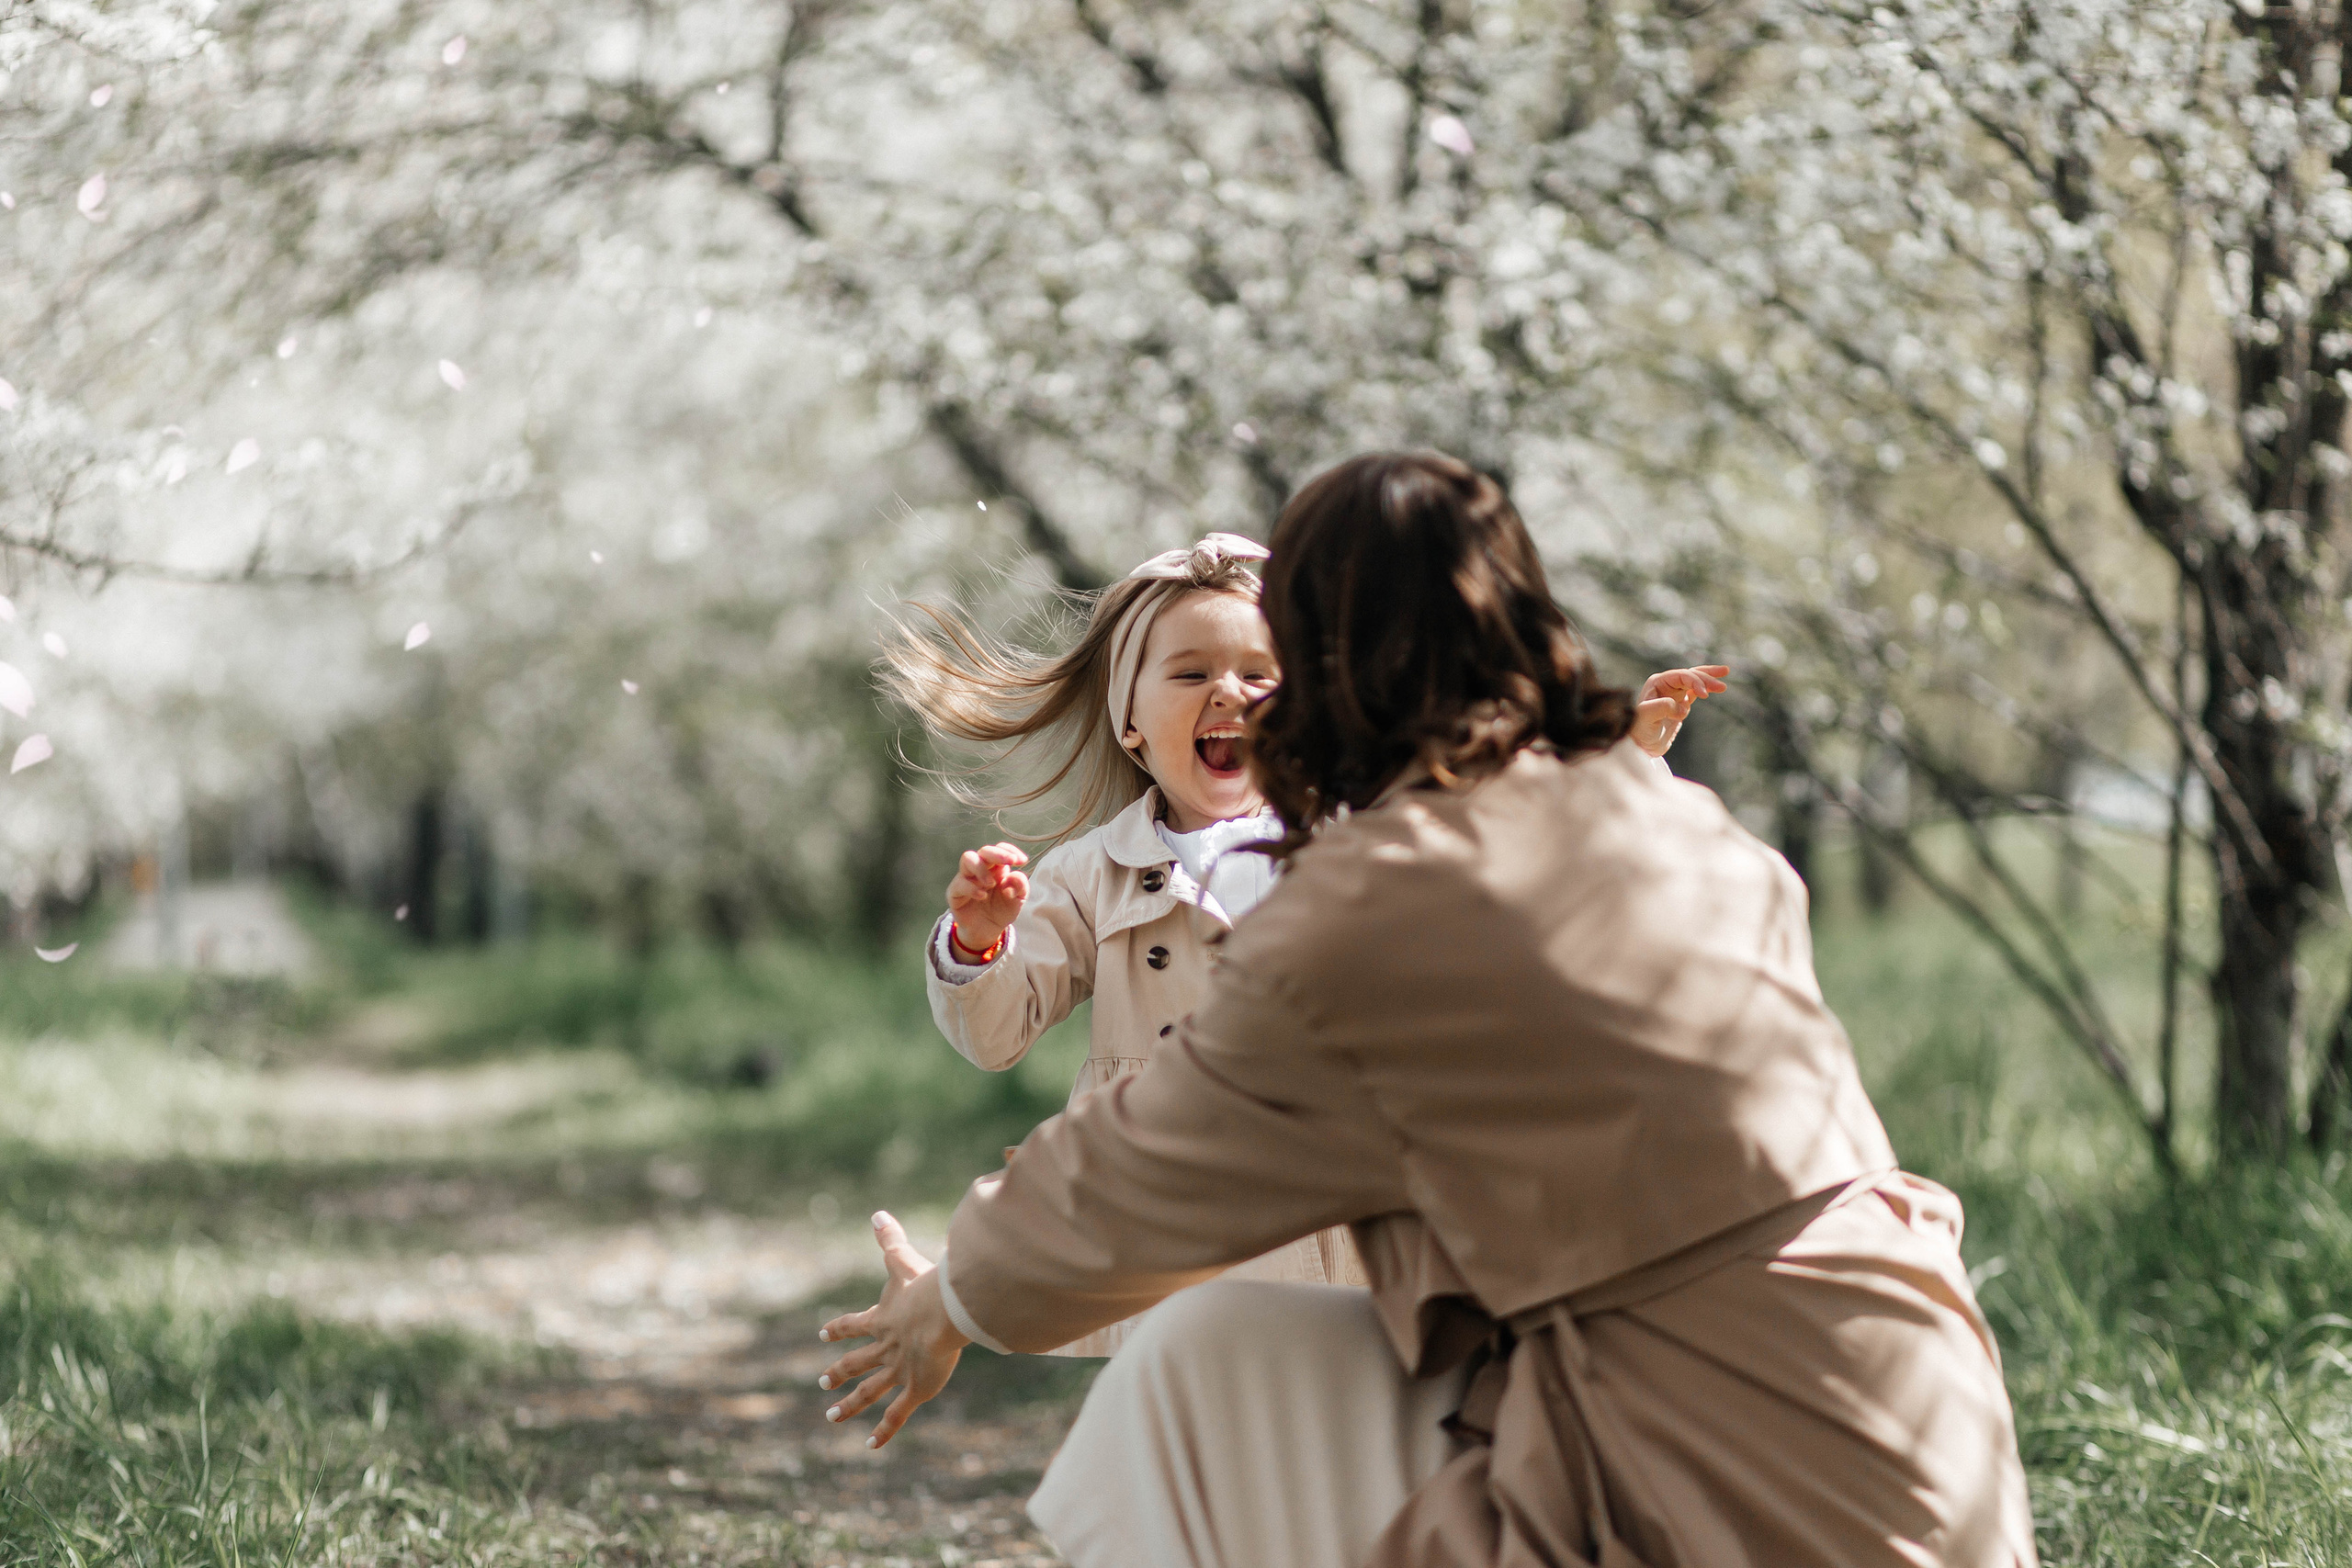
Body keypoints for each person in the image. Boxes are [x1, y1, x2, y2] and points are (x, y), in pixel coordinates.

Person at [828, 452, 2035, 1566]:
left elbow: (1134, 1177)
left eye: (1274, 662)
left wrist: (950, 1300)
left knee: (1194, 1376)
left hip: (1715, 1467)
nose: (1251, 698)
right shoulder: (1675, 825)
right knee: (1217, 1343)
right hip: (1930, 1418)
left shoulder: (1375, 913)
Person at [883, 531, 1724, 1357]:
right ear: (1130, 720)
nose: (1229, 694)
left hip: (1339, 1205)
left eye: (1259, 675)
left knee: (1352, 1427)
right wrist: (979, 941)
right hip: (1171, 1214)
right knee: (1207, 1431)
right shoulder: (1090, 874)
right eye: (1190, 673)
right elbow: (995, 1035)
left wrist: (1627, 759)